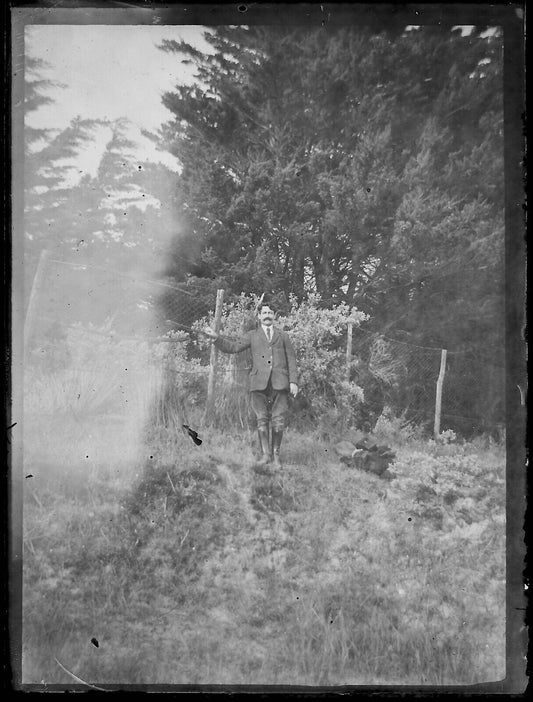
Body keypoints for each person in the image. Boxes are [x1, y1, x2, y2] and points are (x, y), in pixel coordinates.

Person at [204, 301, 298, 471]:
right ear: (259, 316)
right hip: (258, 384)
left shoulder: (283, 336)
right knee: (261, 420)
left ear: (274, 316)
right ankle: (265, 456)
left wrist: (293, 381)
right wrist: (216, 338)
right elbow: (233, 347)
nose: (268, 315)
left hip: (280, 383)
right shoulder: (252, 335)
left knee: (278, 421)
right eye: (264, 313)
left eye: (271, 313)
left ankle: (276, 457)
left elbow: (291, 359)